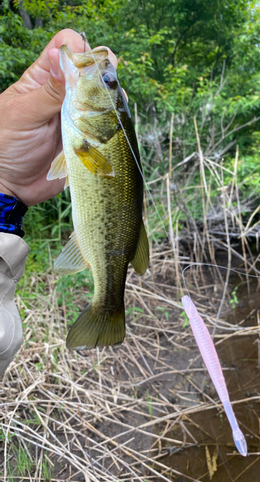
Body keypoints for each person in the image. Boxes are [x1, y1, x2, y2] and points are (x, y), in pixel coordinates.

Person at [0, 29, 119, 376]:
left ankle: (108, 304)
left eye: (108, 83)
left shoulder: (92, 138)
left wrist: (4, 183)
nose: (103, 78)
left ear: (113, 113)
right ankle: (107, 304)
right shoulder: (90, 136)